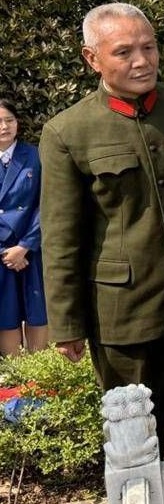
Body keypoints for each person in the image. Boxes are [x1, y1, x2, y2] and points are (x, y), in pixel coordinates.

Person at [40, 3, 164, 460]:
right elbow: (61, 238)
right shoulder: (69, 131)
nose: (142, 61)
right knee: (134, 441)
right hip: (125, 316)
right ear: (92, 58)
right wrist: (67, 325)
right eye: (124, 52)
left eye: (149, 47)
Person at [0, 99, 47, 355]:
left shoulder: (35, 156)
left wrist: (25, 246)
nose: (4, 126)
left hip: (31, 250)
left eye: (9, 120)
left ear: (18, 123)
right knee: (5, 315)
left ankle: (37, 375)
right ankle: (15, 377)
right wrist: (5, 252)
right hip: (2, 254)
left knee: (36, 311)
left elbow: (47, 204)